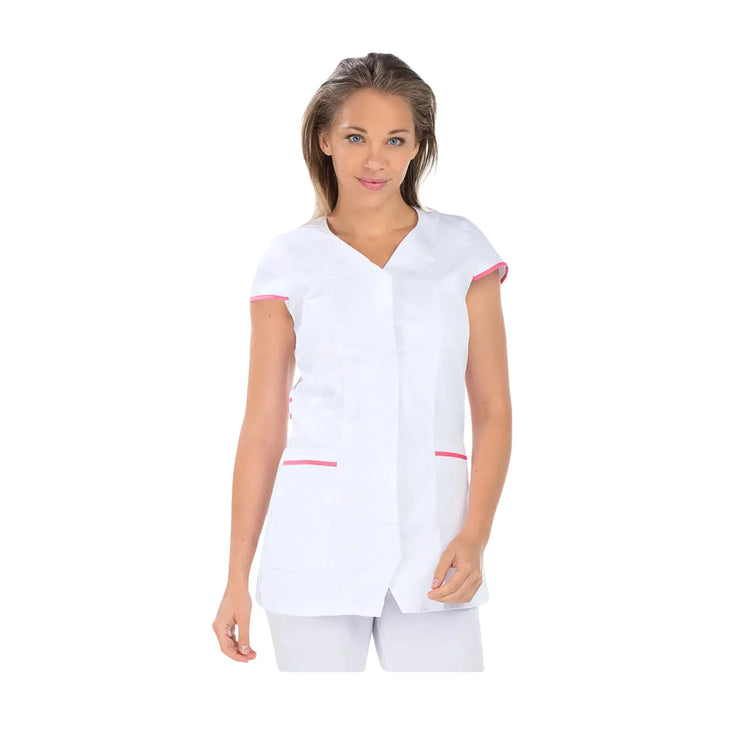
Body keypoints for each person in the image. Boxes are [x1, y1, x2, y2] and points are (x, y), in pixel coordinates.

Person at [212, 52, 511, 671]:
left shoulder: (461, 248)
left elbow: (493, 410)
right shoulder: (290, 260)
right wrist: (236, 576)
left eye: (395, 139)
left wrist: (475, 535)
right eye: (355, 137)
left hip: (436, 547)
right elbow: (263, 428)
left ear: (417, 147)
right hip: (315, 546)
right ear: (325, 140)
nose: (375, 159)